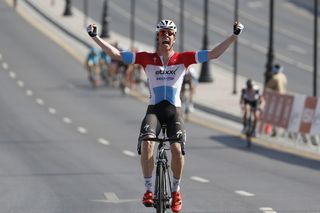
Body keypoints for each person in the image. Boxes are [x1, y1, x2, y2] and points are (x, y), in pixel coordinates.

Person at [87, 19, 244, 212]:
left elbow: (213, 54)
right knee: (146, 143)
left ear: (174, 38)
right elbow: (117, 55)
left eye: (170, 33)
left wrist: (234, 35)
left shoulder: (184, 58)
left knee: (177, 150)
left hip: (173, 112)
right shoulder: (146, 58)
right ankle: (148, 189)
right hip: (154, 110)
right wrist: (95, 37)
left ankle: (176, 191)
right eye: (163, 33)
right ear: (158, 37)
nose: (166, 36)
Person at [265, 64, 287, 136]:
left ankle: (271, 130)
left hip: (275, 99)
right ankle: (278, 131)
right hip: (283, 98)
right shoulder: (283, 77)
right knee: (279, 116)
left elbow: (268, 88)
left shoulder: (275, 78)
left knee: (271, 115)